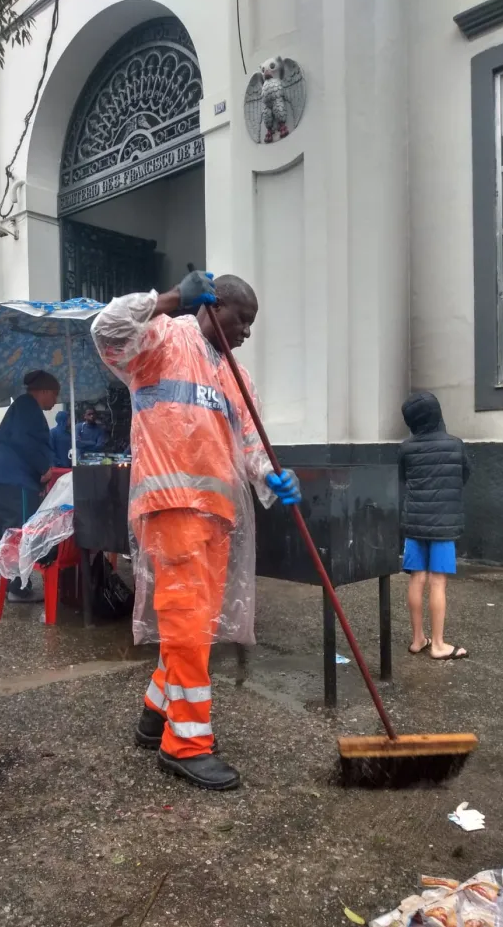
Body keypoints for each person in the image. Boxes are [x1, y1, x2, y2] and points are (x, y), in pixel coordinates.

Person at [92, 270, 301, 790]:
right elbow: (106, 330)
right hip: (171, 504)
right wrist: (166, 299)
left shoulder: (238, 376)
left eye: (252, 323)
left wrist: (273, 474)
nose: (247, 332)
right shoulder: (163, 337)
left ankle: (153, 714)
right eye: (241, 319)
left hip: (218, 512)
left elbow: (250, 444)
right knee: (186, 621)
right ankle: (185, 743)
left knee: (196, 625)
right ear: (211, 306)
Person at [399, 391, 470, 661]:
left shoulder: (405, 448)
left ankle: (418, 639)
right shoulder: (455, 444)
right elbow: (464, 474)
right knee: (438, 582)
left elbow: (402, 478)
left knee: (417, 578)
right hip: (444, 524)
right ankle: (438, 644)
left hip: (414, 521)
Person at [0, 370, 60, 601]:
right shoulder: (28, 408)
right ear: (45, 391)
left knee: (10, 530)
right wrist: (43, 467)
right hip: (14, 478)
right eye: (55, 396)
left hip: (4, 476)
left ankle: (13, 583)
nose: (56, 401)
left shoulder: (23, 406)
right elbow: (25, 441)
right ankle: (18, 587)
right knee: (19, 530)